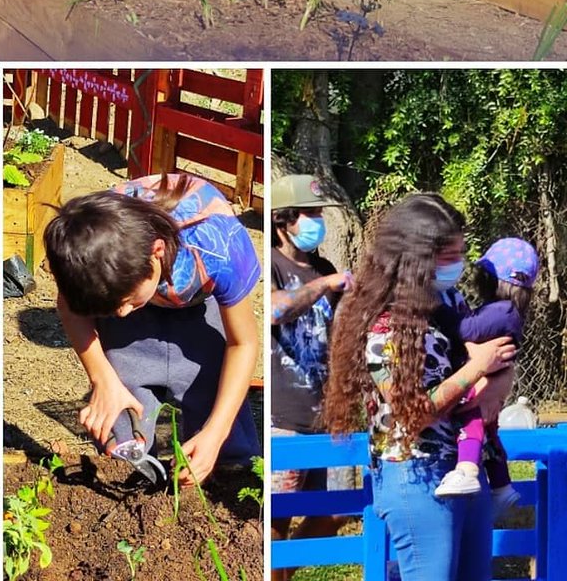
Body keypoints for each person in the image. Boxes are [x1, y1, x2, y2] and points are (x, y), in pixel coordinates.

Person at [325, 193, 516, 581]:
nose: (457, 265)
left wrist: (496, 379)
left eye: (461, 253)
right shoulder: (381, 326)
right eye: (448, 256)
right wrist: (477, 369)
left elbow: (492, 366)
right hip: (415, 473)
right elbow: (412, 414)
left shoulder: (452, 300)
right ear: (415, 257)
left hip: (466, 466)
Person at [43, 172, 260, 487]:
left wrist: (216, 433)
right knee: (123, 404)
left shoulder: (219, 248)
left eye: (127, 301)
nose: (120, 313)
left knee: (213, 390)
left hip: (199, 303)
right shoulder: (87, 251)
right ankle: (132, 467)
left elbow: (243, 344)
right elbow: (70, 307)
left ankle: (230, 466)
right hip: (128, 282)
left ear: (157, 253)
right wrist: (102, 378)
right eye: (110, 306)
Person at [270, 174, 354, 581]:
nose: (317, 221)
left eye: (320, 213)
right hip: (284, 417)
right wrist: (324, 285)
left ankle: (281, 572)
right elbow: (274, 311)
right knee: (275, 519)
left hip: (328, 416)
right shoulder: (272, 263)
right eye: (311, 213)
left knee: (339, 508)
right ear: (283, 218)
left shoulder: (323, 266)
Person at [434, 237, 537, 513]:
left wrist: (435, 308)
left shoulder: (501, 310)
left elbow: (466, 329)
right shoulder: (510, 311)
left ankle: (466, 470)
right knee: (490, 432)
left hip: (482, 378)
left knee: (471, 418)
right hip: (491, 375)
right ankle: (502, 485)